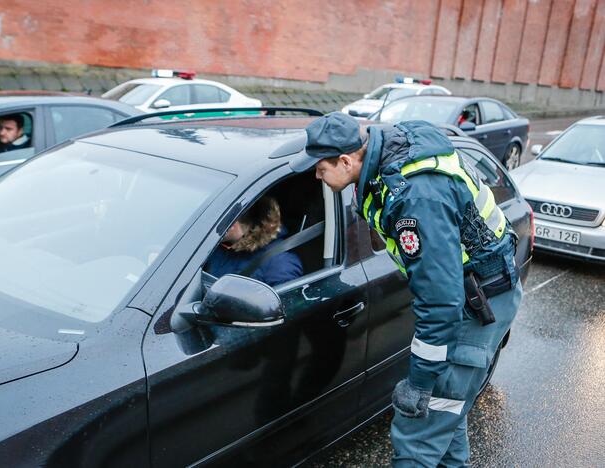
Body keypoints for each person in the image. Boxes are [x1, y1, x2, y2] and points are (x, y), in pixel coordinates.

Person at [291, 112, 522, 467]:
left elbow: (441, 301)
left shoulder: (416, 199)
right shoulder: (390, 153)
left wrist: (419, 382)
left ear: (346, 160)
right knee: (446, 416)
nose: (316, 176)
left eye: (320, 169)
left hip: (475, 307)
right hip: (473, 291)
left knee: (417, 431)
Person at [206, 196, 303, 287]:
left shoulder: (281, 263)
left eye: (218, 219)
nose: (211, 226)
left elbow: (286, 303)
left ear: (232, 224)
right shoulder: (215, 248)